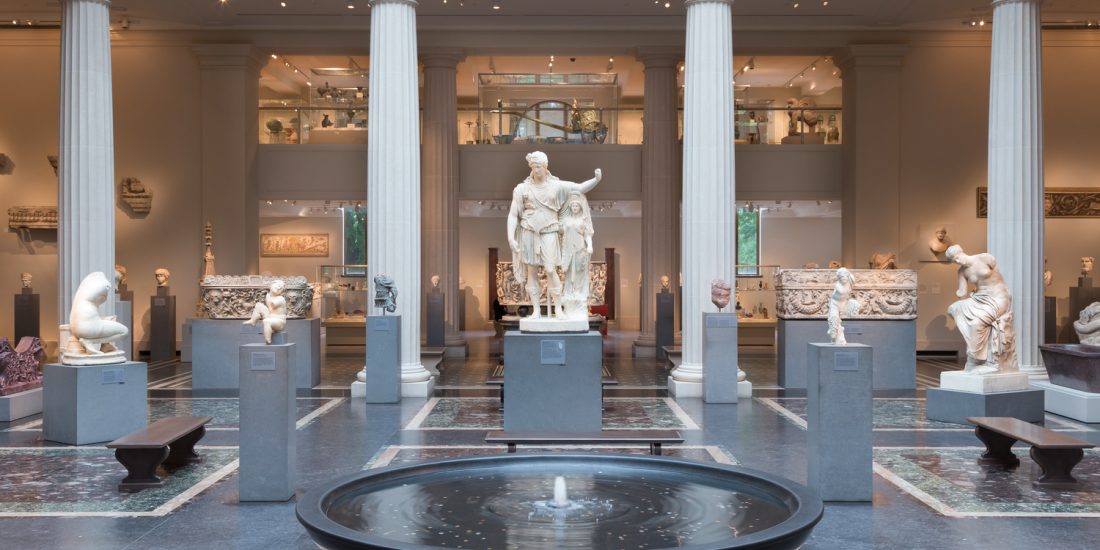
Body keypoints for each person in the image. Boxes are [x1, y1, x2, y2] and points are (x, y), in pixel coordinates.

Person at [506, 151, 601, 319]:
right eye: (534, 167)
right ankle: (536, 310)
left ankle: (558, 308)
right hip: (529, 231)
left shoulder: (556, 186)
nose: (536, 170)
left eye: (539, 166)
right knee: (531, 270)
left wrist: (596, 179)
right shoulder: (522, 188)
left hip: (549, 230)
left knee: (550, 269)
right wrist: (510, 237)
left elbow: (579, 188)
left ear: (545, 166)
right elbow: (513, 214)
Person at [945, 245, 1017, 374]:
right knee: (953, 309)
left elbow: (999, 275)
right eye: (954, 261)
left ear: (961, 252)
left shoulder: (985, 258)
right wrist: (961, 296)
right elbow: (962, 293)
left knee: (976, 323)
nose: (957, 261)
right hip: (979, 298)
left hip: (998, 298)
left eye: (957, 257)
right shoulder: (962, 272)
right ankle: (975, 349)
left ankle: (977, 359)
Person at [559, 193, 594, 319]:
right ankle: (569, 293)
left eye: (577, 206)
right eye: (573, 206)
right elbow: (560, 232)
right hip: (568, 249)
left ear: (580, 207)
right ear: (570, 207)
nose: (575, 207)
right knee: (569, 272)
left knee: (579, 271)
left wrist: (590, 245)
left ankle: (578, 292)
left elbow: (587, 234)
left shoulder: (583, 220)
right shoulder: (566, 220)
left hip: (580, 248)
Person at [243, 280, 288, 345]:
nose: (279, 288)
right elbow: (269, 309)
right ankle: (253, 320)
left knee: (266, 321)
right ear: (271, 285)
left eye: (281, 288)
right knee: (259, 305)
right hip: (271, 316)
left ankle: (268, 340)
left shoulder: (280, 299)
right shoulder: (268, 296)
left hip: (280, 322)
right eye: (278, 285)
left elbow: (272, 305)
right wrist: (260, 312)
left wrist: (262, 314)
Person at [827, 268, 860, 345]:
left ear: (847, 276)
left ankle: (838, 337)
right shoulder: (837, 285)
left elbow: (851, 277)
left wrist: (847, 273)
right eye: (841, 277)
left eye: (845, 276)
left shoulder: (850, 280)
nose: (844, 278)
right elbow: (841, 291)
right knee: (834, 319)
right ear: (839, 278)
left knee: (855, 304)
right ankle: (833, 336)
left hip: (844, 303)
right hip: (835, 304)